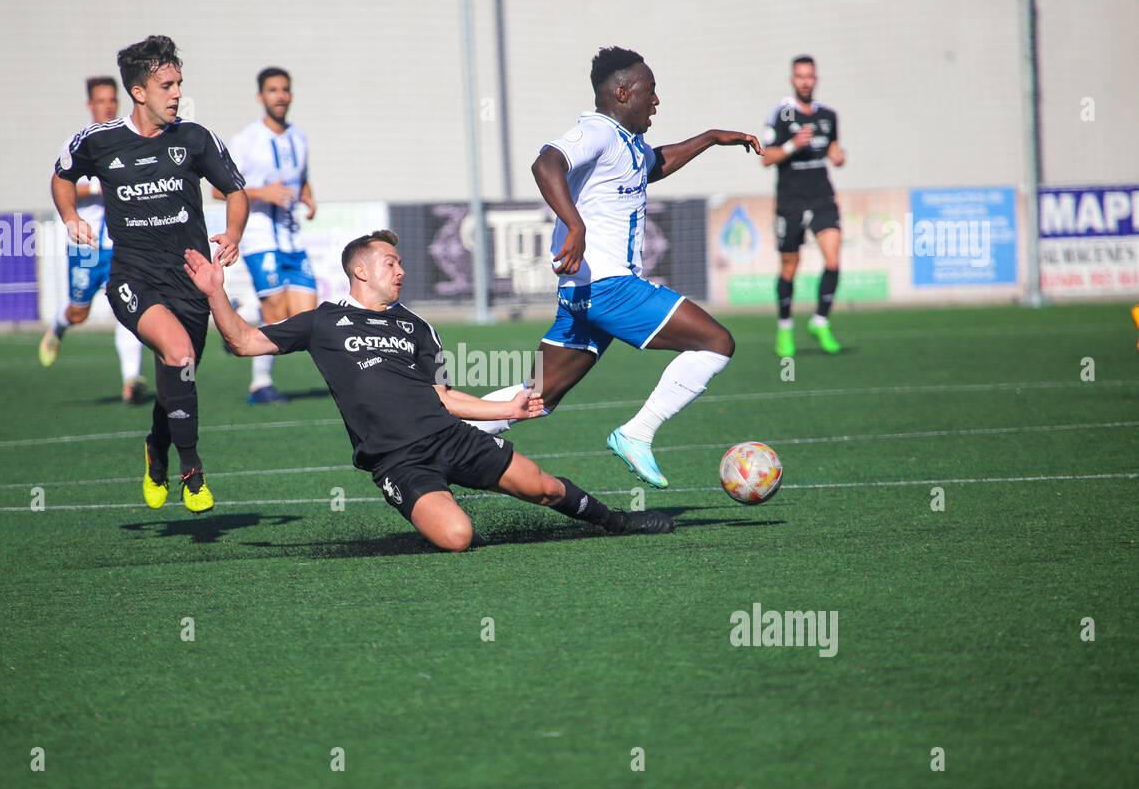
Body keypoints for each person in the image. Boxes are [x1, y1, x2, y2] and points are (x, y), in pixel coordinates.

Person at [184, 231, 676, 551]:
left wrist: (505, 408)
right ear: (360, 271)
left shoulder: (416, 326)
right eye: (390, 263)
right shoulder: (324, 321)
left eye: (401, 263)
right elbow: (243, 341)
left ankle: (617, 521)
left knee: (544, 487)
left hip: (450, 435)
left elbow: (442, 396)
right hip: (397, 459)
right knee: (458, 537)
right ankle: (437, 509)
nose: (401, 271)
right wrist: (214, 293)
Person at [465, 46, 760, 490]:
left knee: (537, 398)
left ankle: (449, 437)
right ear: (622, 92)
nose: (656, 101)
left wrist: (710, 138)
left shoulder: (627, 143)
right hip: (608, 287)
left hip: (584, 291)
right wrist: (575, 224)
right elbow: (546, 163)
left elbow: (652, 165)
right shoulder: (598, 132)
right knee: (716, 342)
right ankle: (637, 433)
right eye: (650, 91)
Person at [51, 35, 248, 513]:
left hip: (190, 280)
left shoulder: (196, 138)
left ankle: (155, 447)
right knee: (178, 352)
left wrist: (234, 232)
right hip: (132, 278)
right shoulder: (97, 140)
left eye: (179, 82)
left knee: (178, 377)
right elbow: (62, 177)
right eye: (167, 84)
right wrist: (71, 218)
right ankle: (193, 471)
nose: (177, 92)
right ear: (139, 92)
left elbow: (236, 190)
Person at [39, 76, 150, 404]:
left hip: (122, 244)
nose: (108, 105)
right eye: (101, 100)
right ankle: (59, 326)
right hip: (86, 246)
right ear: (90, 105)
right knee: (79, 313)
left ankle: (131, 380)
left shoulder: (130, 140)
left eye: (112, 100)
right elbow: (63, 182)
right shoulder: (80, 143)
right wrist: (99, 187)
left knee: (128, 307)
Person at [217, 66, 317, 403]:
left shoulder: (299, 137)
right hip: (260, 238)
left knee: (305, 320)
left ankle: (240, 316)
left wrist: (308, 195)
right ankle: (260, 385)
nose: (280, 96)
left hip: (291, 237)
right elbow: (219, 192)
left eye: (285, 89)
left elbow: (301, 177)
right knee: (276, 317)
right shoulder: (246, 141)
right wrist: (262, 194)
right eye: (273, 90)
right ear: (261, 96)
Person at [761, 54, 847, 357]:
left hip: (822, 196)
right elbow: (766, 158)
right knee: (789, 266)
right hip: (791, 200)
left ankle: (820, 320)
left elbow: (834, 148)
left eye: (810, 76)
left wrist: (838, 155)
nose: (805, 81)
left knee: (833, 259)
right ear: (792, 79)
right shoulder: (782, 115)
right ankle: (785, 329)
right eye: (800, 76)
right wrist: (792, 145)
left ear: (817, 78)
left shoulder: (828, 116)